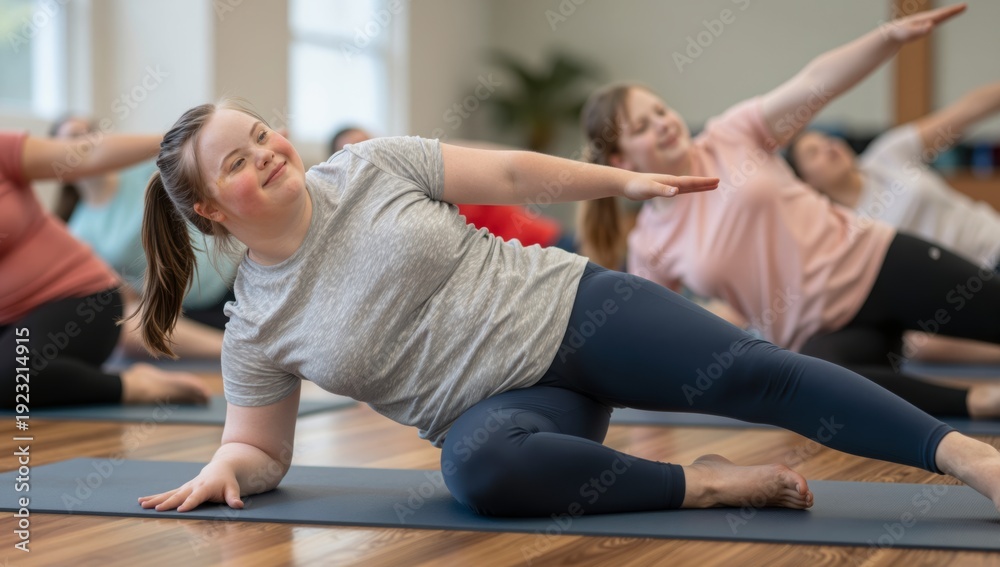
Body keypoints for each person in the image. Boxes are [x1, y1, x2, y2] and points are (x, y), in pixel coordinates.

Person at [136, 93, 1000, 518]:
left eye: (261, 134)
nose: (267, 154)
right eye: (239, 163)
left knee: (761, 375)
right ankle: (702, 485)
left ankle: (964, 454)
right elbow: (259, 447)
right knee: (476, 472)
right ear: (210, 208)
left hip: (578, 310)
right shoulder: (254, 321)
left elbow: (511, 173)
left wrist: (623, 180)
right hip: (507, 410)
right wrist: (228, 466)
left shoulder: (368, 169)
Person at [577, 5, 1000, 422]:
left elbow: (815, 82)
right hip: (821, 337)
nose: (663, 124)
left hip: (878, 265)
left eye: (660, 111)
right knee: (821, 389)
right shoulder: (650, 242)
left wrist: (886, 38)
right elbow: (658, 337)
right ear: (622, 161)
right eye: (641, 127)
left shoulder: (730, 135)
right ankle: (978, 402)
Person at [787, 81, 1000, 365]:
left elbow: (963, 113)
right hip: (961, 297)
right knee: (917, 344)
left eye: (826, 139)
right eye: (813, 153)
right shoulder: (840, 233)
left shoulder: (886, 155)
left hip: (993, 242)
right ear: (807, 184)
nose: (828, 147)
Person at [0, 128, 211, 409]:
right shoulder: (84, 222)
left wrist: (189, 137)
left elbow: (87, 153)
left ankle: (135, 386)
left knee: (14, 377)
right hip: (11, 324)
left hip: (77, 301)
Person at [50, 116, 235, 359]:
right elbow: (119, 292)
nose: (87, 141)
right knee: (123, 324)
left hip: (231, 276)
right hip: (186, 310)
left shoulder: (141, 170)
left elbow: (194, 165)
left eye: (91, 133)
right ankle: (234, 351)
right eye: (74, 137)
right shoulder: (78, 232)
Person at [331, 126, 574, 250]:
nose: (366, 152)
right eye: (355, 150)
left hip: (548, 238)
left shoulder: (419, 167)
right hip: (518, 261)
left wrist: (440, 150)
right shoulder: (385, 210)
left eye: (369, 142)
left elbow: (501, 160)